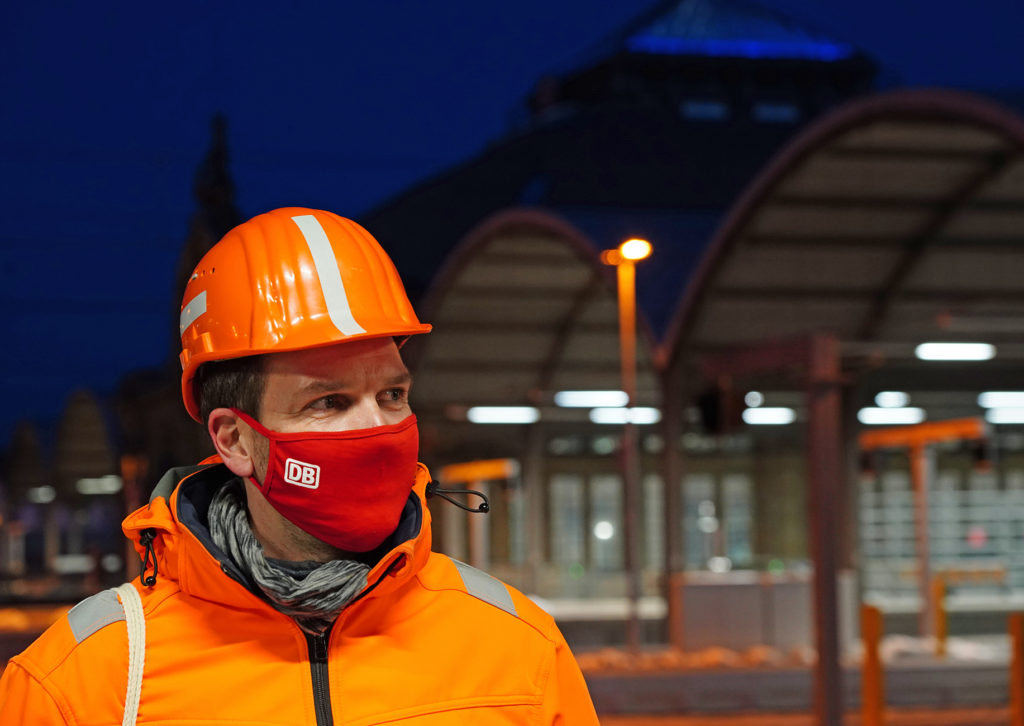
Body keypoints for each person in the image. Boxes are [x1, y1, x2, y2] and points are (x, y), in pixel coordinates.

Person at [0, 208, 599, 724]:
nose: (377, 428)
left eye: (392, 395)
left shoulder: (518, 648)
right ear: (234, 440)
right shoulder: (83, 680)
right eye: (329, 402)